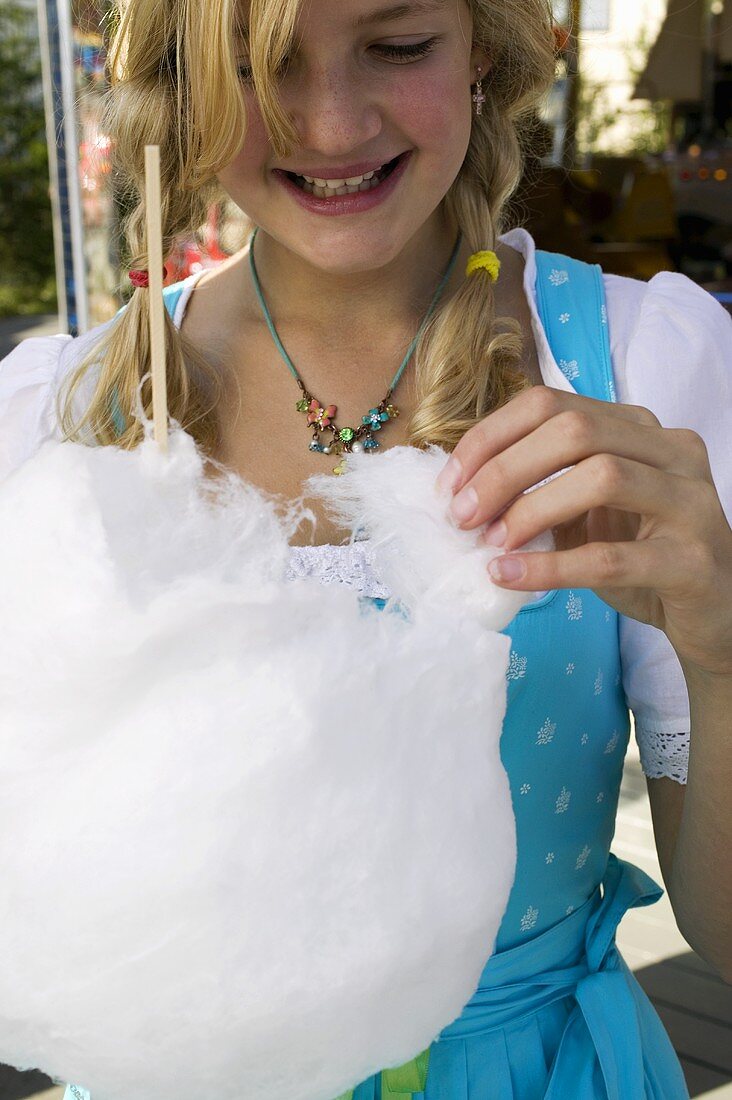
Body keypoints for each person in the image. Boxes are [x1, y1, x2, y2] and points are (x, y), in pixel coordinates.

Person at [1, 0, 731, 1096]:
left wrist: (724, 655)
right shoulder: (61, 416)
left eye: (397, 47)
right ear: (182, 73)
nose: (332, 125)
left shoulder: (639, 373)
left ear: (481, 45)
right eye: (257, 65)